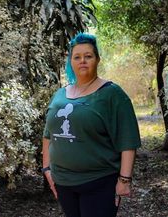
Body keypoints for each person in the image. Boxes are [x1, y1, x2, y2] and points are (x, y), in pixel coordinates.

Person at [41, 33, 141, 217]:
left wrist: (124, 180)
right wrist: (46, 169)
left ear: (97, 59)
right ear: (70, 61)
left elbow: (127, 140)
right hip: (63, 182)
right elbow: (48, 135)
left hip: (99, 182)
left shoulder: (112, 94)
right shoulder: (60, 94)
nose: (82, 61)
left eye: (88, 56)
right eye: (77, 57)